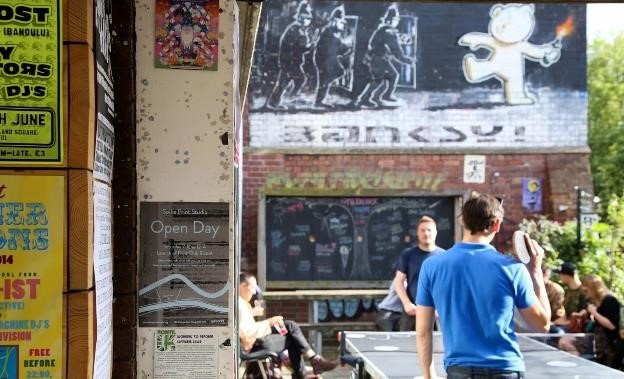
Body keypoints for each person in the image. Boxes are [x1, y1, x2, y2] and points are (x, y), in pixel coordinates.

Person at [416, 192, 551, 379]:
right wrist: (535, 271)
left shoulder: (431, 267)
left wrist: (429, 377)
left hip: (460, 371)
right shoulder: (513, 269)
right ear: (496, 225)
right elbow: (542, 325)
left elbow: (423, 332)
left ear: (462, 220)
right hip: (506, 370)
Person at [238, 272, 338, 378]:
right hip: (252, 347)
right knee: (292, 332)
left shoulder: (241, 303)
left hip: (254, 343)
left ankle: (310, 365)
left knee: (290, 328)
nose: (254, 292)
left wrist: (253, 313)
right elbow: (246, 333)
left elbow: (245, 327)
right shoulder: (240, 304)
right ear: (242, 286)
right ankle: (312, 364)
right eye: (252, 288)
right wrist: (269, 322)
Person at [349, 4, 414, 109]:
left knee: (383, 78)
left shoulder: (382, 30)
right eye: (396, 19)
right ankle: (379, 97)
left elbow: (380, 44)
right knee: (384, 78)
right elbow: (396, 50)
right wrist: (406, 60)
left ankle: (367, 98)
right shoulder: (389, 32)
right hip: (379, 60)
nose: (397, 22)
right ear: (392, 20)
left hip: (377, 59)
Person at [558, 274, 622, 369]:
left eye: (586, 290)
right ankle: (576, 365)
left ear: (594, 288)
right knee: (564, 341)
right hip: (594, 336)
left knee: (567, 342)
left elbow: (612, 326)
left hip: (606, 342)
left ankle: (578, 368)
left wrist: (594, 313)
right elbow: (587, 310)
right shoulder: (594, 300)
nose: (585, 293)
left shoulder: (610, 300)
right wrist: (580, 315)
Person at [395, 216, 444, 331]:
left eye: (429, 230)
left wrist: (441, 307)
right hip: (413, 311)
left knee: (439, 346)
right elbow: (399, 282)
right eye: (422, 230)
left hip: (438, 313)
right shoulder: (408, 255)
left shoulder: (444, 256)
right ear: (417, 233)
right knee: (406, 346)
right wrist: (407, 304)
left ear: (436, 232)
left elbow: (449, 286)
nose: (426, 233)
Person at [266, 1, 317, 110]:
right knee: (288, 82)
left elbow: (300, 48)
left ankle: (282, 99)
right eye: (306, 18)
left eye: (309, 18)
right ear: (300, 17)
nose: (308, 20)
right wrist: (311, 44)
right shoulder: (296, 29)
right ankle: (279, 101)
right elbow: (301, 47)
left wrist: (310, 44)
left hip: (292, 62)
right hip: (289, 62)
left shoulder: (298, 29)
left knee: (291, 81)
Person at [313, 5, 353, 108]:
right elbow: (328, 48)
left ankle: (320, 97)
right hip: (323, 59)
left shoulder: (335, 33)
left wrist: (347, 47)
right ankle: (319, 101)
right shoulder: (327, 31)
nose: (343, 26)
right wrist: (343, 45)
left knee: (339, 72)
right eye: (341, 23)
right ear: (335, 21)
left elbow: (339, 49)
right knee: (325, 79)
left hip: (330, 59)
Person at [554, 262, 589, 330]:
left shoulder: (584, 292)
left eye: (560, 275)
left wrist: (565, 323)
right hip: (566, 325)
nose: (559, 277)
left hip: (578, 328)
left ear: (566, 276)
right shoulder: (567, 291)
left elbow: (583, 316)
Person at [375, 263, 404, 331]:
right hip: (387, 311)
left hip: (403, 315)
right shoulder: (401, 278)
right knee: (388, 332)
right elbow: (402, 290)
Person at [543, 265, 566, 333]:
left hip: (552, 322)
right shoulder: (529, 286)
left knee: (559, 333)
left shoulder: (556, 289)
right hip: (531, 322)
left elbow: (558, 312)